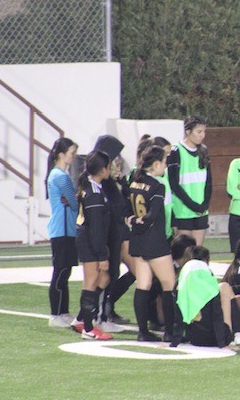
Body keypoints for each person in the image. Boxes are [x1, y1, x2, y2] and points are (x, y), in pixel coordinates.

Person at [127, 145, 177, 342]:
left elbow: (126, 210)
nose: (165, 166)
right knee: (169, 285)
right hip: (154, 241)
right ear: (156, 164)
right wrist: (143, 221)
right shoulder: (158, 185)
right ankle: (170, 332)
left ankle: (143, 332)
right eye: (164, 162)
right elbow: (153, 215)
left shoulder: (134, 181)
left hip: (137, 240)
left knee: (143, 285)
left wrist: (133, 221)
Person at [74, 150, 113, 340]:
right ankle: (88, 329)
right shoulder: (94, 193)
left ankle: (81, 319)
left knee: (103, 278)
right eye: (109, 167)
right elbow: (96, 228)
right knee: (91, 281)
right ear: (102, 170)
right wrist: (102, 256)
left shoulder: (90, 186)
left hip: (87, 238)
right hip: (89, 241)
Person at [92, 134, 129, 331]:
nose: (118, 162)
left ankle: (104, 314)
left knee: (113, 273)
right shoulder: (98, 184)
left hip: (116, 234)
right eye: (114, 158)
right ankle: (98, 316)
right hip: (106, 235)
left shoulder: (110, 182)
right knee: (104, 275)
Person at [45, 137, 79, 328]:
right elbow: (74, 203)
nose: (73, 156)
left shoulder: (57, 174)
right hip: (62, 230)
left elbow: (72, 200)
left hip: (65, 229)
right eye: (71, 153)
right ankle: (55, 314)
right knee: (61, 272)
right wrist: (75, 198)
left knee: (64, 271)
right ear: (61, 154)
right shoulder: (60, 176)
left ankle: (62, 311)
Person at [175, 245, 236, 350]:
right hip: (213, 338)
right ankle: (238, 334)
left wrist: (174, 342)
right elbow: (217, 315)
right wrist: (222, 344)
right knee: (225, 288)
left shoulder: (181, 283)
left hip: (195, 338)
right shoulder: (209, 283)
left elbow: (179, 315)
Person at [167, 115, 212, 245]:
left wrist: (204, 205)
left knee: (197, 251)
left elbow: (209, 181)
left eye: (204, 132)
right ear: (188, 131)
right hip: (183, 211)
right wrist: (192, 205)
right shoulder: (176, 151)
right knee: (183, 252)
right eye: (199, 132)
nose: (202, 135)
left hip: (200, 211)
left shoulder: (203, 150)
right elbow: (174, 184)